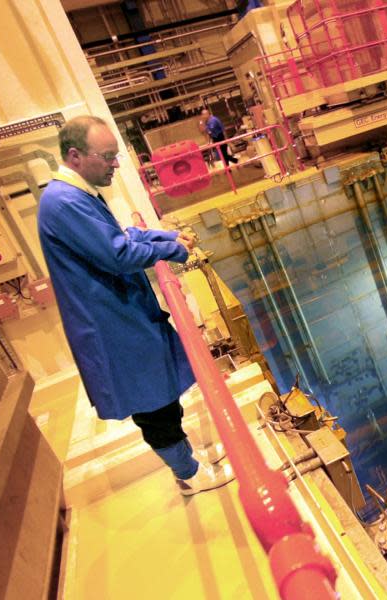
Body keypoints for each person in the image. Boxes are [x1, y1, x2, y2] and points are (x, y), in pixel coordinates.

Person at [38, 115, 234, 495]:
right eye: (107, 156)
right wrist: (173, 249)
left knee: (160, 394)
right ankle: (189, 475)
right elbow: (118, 254)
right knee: (153, 404)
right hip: (111, 325)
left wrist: (163, 235)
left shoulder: (76, 194)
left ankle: (188, 461)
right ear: (75, 156)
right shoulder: (64, 203)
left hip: (122, 316)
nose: (115, 164)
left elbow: (122, 235)